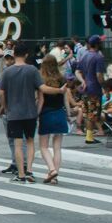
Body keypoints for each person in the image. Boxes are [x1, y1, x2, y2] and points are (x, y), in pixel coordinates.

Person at [0, 47, 42, 183]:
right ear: (26, 54)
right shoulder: (33, 70)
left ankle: (21, 174)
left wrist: (5, 107)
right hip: (30, 111)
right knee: (29, 141)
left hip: (14, 112)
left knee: (17, 143)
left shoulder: (7, 72)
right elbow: (41, 89)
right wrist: (38, 108)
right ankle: (29, 170)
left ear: (14, 54)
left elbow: (0, 92)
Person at [36, 55, 69, 184]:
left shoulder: (42, 80)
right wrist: (69, 113)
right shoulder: (62, 79)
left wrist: (37, 115)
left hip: (46, 114)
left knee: (44, 146)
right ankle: (54, 177)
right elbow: (65, 99)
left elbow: (41, 100)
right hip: (60, 113)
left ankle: (51, 169)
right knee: (57, 147)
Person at [72, 36, 107, 144]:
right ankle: (89, 137)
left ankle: (89, 135)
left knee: (87, 113)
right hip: (94, 89)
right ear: (97, 44)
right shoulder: (98, 57)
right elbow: (99, 75)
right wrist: (105, 87)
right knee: (93, 113)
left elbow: (77, 71)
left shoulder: (84, 56)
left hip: (86, 89)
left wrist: (83, 81)